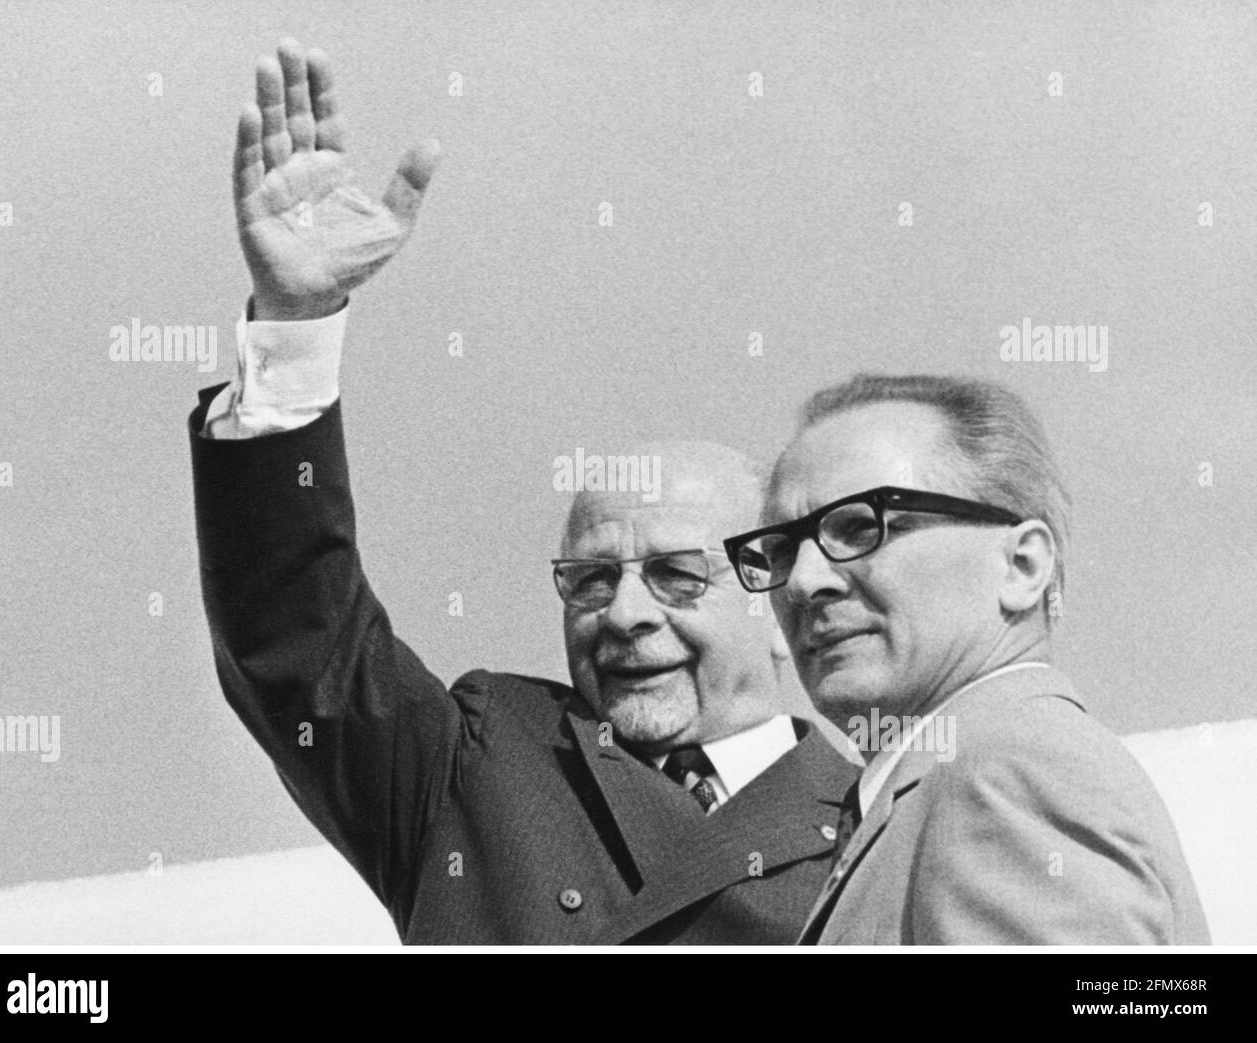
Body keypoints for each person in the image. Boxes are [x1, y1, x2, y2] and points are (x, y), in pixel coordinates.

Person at [189, 39, 855, 944]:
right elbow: (293, 636)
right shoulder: (483, 759)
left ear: (774, 598)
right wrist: (296, 325)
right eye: (588, 580)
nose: (622, 615)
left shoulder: (878, 830)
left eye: (673, 576)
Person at [723, 374, 1210, 944]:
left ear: (1022, 567)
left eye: (859, 526)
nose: (804, 583)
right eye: (780, 550)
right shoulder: (943, 782)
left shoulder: (1009, 772)